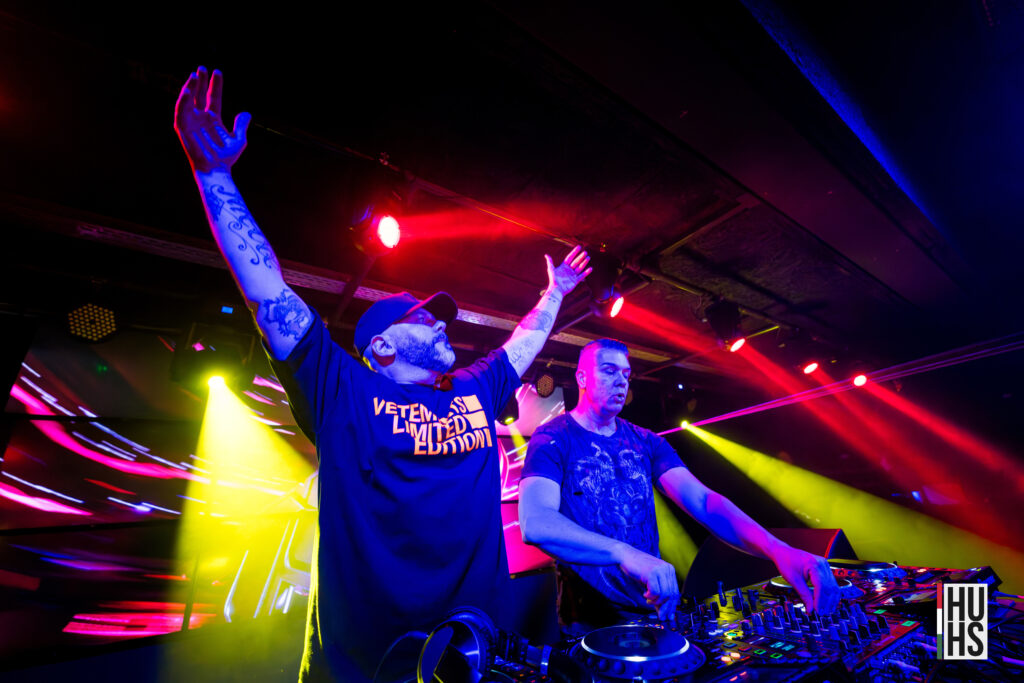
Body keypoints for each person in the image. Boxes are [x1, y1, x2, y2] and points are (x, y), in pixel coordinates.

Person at [173, 66, 591, 682]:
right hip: (369, 664)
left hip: (475, 655)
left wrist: (555, 294)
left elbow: (522, 345)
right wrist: (214, 177)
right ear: (383, 347)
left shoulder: (474, 388)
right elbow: (269, 295)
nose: (441, 325)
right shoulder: (342, 390)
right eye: (423, 319)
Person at [518, 339, 840, 634]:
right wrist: (622, 552)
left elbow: (704, 502)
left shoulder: (646, 441)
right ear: (582, 377)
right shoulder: (553, 438)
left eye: (626, 374)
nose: (621, 381)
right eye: (609, 370)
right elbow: (536, 522)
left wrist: (778, 549)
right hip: (590, 624)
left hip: (654, 612)